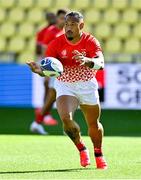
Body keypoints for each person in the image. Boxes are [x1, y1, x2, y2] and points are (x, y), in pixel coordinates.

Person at [27, 11, 108, 169]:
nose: (68, 28)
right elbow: (49, 68)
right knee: (66, 119)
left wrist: (87, 60)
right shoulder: (56, 43)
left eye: (72, 25)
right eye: (66, 24)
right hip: (65, 84)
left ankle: (98, 153)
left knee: (94, 124)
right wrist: (40, 71)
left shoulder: (90, 41)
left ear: (81, 26)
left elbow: (101, 63)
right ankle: (82, 148)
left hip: (87, 84)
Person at [30, 9, 67, 135]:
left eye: (65, 19)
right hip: (55, 70)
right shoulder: (51, 32)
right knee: (53, 98)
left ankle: (38, 122)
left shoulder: (66, 32)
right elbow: (46, 52)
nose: (64, 21)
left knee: (54, 98)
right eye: (62, 18)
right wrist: (47, 72)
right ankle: (39, 122)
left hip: (65, 70)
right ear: (57, 19)